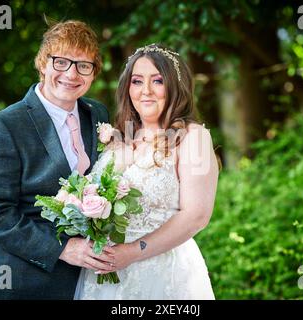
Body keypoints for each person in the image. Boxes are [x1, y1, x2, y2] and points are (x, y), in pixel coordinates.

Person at [0, 20, 115, 299]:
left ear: (93, 73)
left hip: (87, 282)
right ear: (42, 64)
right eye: (61, 62)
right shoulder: (4, 126)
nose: (71, 74)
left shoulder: (97, 114)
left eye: (83, 66)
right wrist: (62, 248)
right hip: (24, 281)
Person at [74, 44, 219, 299]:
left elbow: (197, 216)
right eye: (137, 81)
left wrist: (131, 252)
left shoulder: (193, 137)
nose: (146, 91)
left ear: (176, 86)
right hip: (104, 275)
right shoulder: (120, 137)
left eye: (158, 81)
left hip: (162, 274)